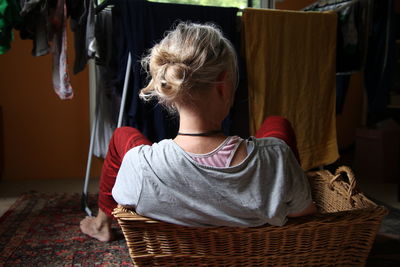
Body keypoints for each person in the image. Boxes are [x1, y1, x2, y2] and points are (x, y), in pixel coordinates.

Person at [80, 22, 317, 242]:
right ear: (224, 86)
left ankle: (102, 224)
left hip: (161, 188)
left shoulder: (140, 166)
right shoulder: (276, 157)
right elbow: (304, 212)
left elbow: (124, 204)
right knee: (277, 123)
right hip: (260, 234)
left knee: (122, 134)